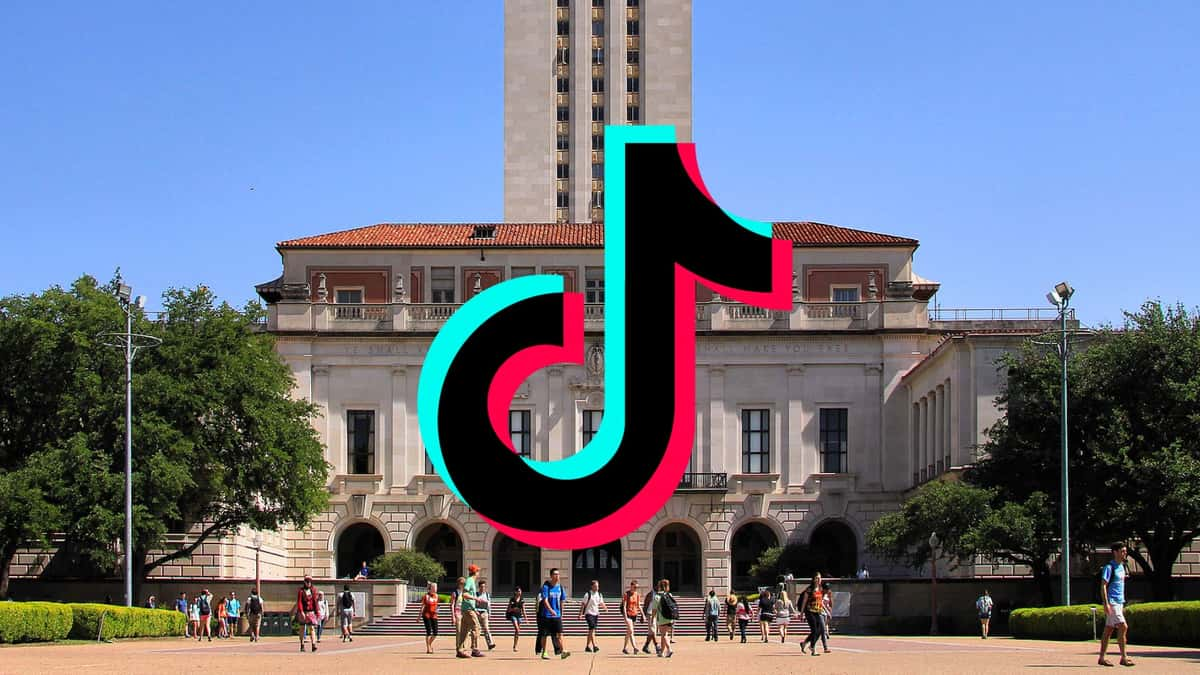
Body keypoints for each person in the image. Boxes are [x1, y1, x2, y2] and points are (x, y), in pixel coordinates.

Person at [1099, 542, 1134, 667]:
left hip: (1119, 602)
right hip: (1112, 602)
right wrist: (1106, 603)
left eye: (1125, 551)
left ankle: (1102, 658)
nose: (1125, 553)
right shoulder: (1109, 567)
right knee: (1123, 626)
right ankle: (1124, 657)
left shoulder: (1122, 566)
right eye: (1122, 551)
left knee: (1109, 629)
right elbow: (1103, 585)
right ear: (1115, 552)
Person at [536, 568, 570, 660]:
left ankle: (562, 651)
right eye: (555, 574)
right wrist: (551, 610)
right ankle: (544, 652)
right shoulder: (546, 587)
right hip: (546, 615)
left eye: (558, 574)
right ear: (551, 576)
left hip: (557, 615)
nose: (557, 576)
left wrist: (561, 613)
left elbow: (562, 601)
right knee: (544, 634)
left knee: (560, 633)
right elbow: (545, 600)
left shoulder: (560, 587)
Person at [455, 565, 485, 659]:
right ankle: (475, 649)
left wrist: (474, 608)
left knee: (464, 631)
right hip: (468, 610)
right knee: (477, 628)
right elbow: (465, 594)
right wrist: (476, 598)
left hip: (467, 609)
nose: (478, 573)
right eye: (478, 571)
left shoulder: (470, 581)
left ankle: (460, 650)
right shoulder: (470, 581)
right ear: (475, 572)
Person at [798, 573, 826, 656]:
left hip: (818, 611)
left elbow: (821, 601)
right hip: (809, 611)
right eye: (817, 578)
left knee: (820, 630)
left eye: (820, 578)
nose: (819, 580)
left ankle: (805, 643)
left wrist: (826, 610)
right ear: (813, 579)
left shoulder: (821, 589)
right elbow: (804, 602)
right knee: (814, 630)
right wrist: (802, 613)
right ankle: (813, 648)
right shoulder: (809, 589)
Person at [579, 579, 607, 653]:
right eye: (595, 586)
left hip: (596, 614)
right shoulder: (588, 594)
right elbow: (583, 605)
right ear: (592, 586)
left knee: (591, 630)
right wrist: (580, 614)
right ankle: (595, 646)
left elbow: (601, 602)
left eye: (597, 586)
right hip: (588, 613)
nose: (597, 587)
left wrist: (605, 608)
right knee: (592, 628)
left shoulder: (599, 594)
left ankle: (587, 646)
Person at [652, 579, 676, 658]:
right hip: (670, 618)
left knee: (664, 635)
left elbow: (654, 609)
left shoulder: (657, 597)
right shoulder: (669, 595)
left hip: (662, 618)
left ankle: (669, 649)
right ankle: (661, 652)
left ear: (659, 587)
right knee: (664, 635)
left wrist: (653, 618)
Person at [296, 575, 320, 652]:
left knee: (312, 628)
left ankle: (313, 645)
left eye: (310, 582)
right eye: (307, 582)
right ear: (305, 582)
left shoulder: (313, 590)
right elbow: (299, 602)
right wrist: (301, 611)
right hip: (304, 612)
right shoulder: (301, 591)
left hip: (311, 612)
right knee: (302, 628)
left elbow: (315, 602)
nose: (308, 583)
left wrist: (317, 612)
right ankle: (302, 645)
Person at [619, 580, 643, 654]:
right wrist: (625, 616)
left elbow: (639, 605)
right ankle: (635, 648)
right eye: (635, 587)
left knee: (629, 632)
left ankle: (624, 648)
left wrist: (643, 614)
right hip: (628, 614)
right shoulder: (626, 594)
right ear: (631, 586)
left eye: (637, 587)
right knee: (631, 631)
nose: (636, 588)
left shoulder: (637, 595)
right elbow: (624, 606)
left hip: (634, 614)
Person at [476, 579, 497, 650]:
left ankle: (490, 644)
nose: (483, 588)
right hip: (477, 613)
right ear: (479, 587)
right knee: (477, 630)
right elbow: (473, 604)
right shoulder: (476, 595)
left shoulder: (487, 595)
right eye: (481, 586)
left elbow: (489, 605)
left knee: (486, 629)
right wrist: (476, 611)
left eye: (484, 586)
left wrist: (489, 613)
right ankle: (476, 646)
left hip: (485, 613)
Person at [505, 586, 527, 652]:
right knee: (517, 629)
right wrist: (513, 609)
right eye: (518, 591)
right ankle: (515, 646)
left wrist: (526, 617)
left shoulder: (522, 599)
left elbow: (523, 609)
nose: (519, 592)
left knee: (517, 632)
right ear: (515, 592)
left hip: (519, 616)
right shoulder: (512, 599)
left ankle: (515, 646)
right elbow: (508, 609)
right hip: (513, 615)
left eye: (520, 591)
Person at [640, 582, 659, 655]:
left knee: (651, 632)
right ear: (655, 587)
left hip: (656, 614)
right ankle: (657, 646)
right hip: (650, 614)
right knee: (653, 630)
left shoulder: (659, 594)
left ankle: (646, 646)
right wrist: (643, 616)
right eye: (658, 587)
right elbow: (645, 605)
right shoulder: (650, 594)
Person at [420, 582, 439, 654]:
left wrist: (437, 610)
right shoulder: (426, 596)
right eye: (434, 587)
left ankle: (429, 644)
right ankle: (428, 648)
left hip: (434, 615)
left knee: (435, 632)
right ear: (430, 588)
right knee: (428, 632)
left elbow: (436, 606)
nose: (436, 589)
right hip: (426, 615)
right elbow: (422, 606)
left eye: (436, 587)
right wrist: (419, 617)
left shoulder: (436, 596)